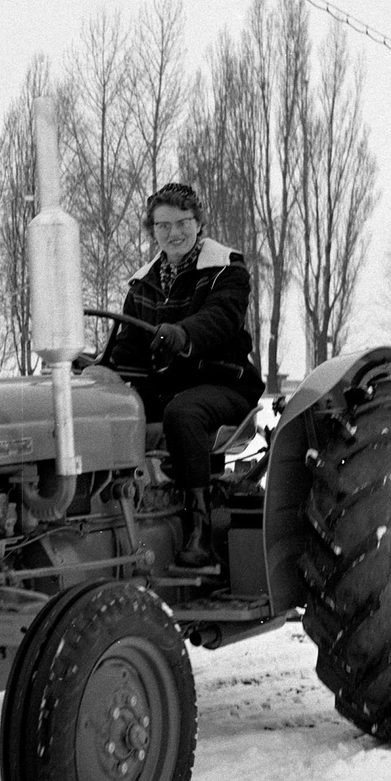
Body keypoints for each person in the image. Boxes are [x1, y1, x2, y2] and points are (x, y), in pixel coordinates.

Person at [104, 182, 264, 569]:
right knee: (103, 406)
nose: (173, 233)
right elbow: (128, 346)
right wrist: (99, 372)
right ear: (151, 230)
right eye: (163, 226)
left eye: (182, 223)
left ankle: (200, 530)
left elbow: (221, 319)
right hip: (166, 388)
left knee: (182, 413)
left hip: (224, 383)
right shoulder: (143, 284)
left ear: (199, 223)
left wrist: (184, 334)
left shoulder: (226, 270)